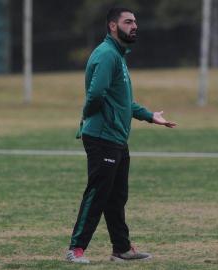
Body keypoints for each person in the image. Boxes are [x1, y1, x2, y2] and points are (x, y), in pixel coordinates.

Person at [66, 7, 176, 264]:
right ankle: (75, 249)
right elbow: (94, 96)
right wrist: (90, 118)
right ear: (113, 26)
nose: (134, 25)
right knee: (97, 194)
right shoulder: (107, 55)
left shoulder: (118, 56)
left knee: (116, 197)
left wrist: (150, 115)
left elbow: (123, 103)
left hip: (115, 138)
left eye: (135, 21)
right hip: (102, 138)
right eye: (128, 22)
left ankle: (122, 249)